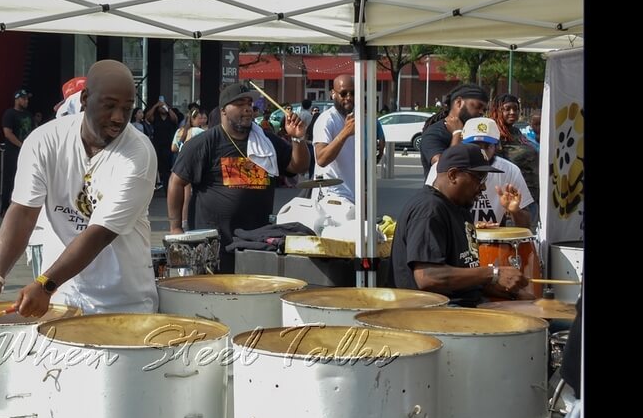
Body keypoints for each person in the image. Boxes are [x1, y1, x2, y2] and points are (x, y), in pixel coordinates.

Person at [0, 60, 158, 316]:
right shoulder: (44, 140)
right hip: (61, 299)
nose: (118, 118)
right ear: (84, 98)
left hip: (122, 304)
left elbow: (100, 232)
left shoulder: (139, 153)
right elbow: (24, 211)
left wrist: (45, 284)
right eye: (110, 105)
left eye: (127, 109)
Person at [168, 82, 310, 273]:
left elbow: (298, 166)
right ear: (224, 110)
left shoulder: (266, 142)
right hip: (216, 247)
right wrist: (176, 228)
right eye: (240, 103)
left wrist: (298, 139)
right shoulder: (205, 142)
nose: (247, 108)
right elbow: (176, 181)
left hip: (256, 244)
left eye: (250, 103)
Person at [390, 144, 530, 307]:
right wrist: (493, 273)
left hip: (463, 307)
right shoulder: (429, 210)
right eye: (480, 178)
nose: (484, 187)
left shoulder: (460, 207)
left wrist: (515, 294)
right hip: (432, 315)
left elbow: (467, 280)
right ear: (453, 175)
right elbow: (428, 277)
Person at [425, 117, 533, 228]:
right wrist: (470, 228)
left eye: (487, 146)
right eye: (474, 145)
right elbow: (432, 209)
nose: (482, 152)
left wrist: (515, 211)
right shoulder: (441, 167)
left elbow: (525, 226)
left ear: (497, 146)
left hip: (491, 243)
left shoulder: (510, 170)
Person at [311, 75, 386, 204]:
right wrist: (345, 133)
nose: (349, 98)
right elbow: (321, 159)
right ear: (333, 94)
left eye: (353, 93)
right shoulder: (326, 120)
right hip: (333, 197)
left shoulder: (356, 118)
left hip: (353, 195)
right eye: (343, 93)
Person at [489, 94, 540, 224]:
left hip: (530, 195)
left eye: (516, 109)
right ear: (497, 110)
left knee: (528, 238)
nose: (513, 112)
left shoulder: (516, 132)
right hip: (511, 200)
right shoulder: (495, 135)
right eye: (507, 109)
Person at [419, 84, 489, 177]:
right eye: (478, 106)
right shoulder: (433, 134)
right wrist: (457, 134)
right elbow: (444, 169)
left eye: (484, 110)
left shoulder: (473, 133)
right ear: (459, 102)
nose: (481, 112)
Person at [1, 89, 34, 217]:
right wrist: (21, 145)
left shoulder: (28, 115)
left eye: (27, 99)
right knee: (10, 180)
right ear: (17, 99)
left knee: (26, 179)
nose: (26, 101)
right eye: (24, 98)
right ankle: (5, 207)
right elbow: (7, 133)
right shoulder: (9, 114)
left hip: (27, 152)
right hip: (13, 152)